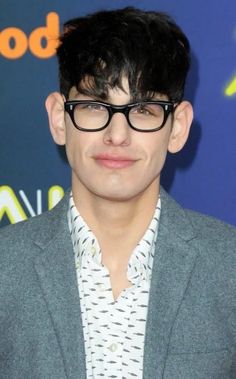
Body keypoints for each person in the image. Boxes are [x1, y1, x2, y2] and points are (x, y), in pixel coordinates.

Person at [0, 7, 235, 379]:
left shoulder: (229, 268)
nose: (117, 135)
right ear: (59, 119)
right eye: (94, 106)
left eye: (143, 109)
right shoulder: (5, 270)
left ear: (178, 128)